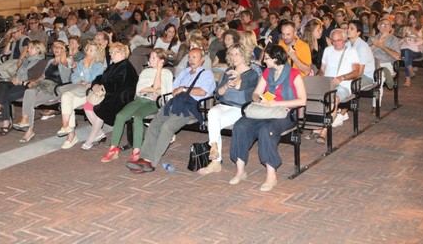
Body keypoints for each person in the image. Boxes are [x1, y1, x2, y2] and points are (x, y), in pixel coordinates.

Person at [229, 45, 307, 191]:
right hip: (265, 110)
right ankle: (240, 171)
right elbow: (256, 93)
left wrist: (276, 103)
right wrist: (260, 101)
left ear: (276, 59)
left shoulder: (294, 74)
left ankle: (271, 176)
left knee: (267, 130)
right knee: (240, 126)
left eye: (267, 58)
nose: (264, 61)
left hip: (285, 112)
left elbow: (302, 101)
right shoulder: (267, 73)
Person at [126, 48, 216, 173]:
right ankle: (144, 158)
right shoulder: (184, 72)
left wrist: (184, 89)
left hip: (190, 107)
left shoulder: (207, 74)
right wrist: (178, 91)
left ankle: (152, 161)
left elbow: (203, 91)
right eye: (189, 57)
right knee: (154, 124)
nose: (191, 60)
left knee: (167, 127)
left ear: (202, 60)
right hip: (175, 103)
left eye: (194, 57)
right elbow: (174, 90)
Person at [101, 49, 173, 162]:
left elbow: (164, 92)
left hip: (154, 103)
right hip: (140, 100)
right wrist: (154, 89)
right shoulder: (145, 72)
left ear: (161, 61)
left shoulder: (167, 73)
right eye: (150, 57)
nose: (150, 59)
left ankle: (136, 151)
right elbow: (140, 90)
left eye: (154, 58)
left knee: (138, 117)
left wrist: (159, 71)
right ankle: (113, 148)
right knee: (120, 116)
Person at [198, 44, 259, 175]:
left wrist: (237, 79)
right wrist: (226, 85)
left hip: (239, 108)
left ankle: (216, 161)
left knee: (214, 122)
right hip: (224, 105)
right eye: (232, 54)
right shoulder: (227, 71)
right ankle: (214, 147)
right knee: (213, 112)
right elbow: (218, 94)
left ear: (244, 55)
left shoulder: (252, 74)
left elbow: (242, 89)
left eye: (237, 54)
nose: (234, 57)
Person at [80, 42, 138, 150]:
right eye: (111, 53)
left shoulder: (126, 66)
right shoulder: (114, 65)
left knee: (99, 109)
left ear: (122, 53)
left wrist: (102, 87)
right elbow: (102, 77)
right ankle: (100, 133)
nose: (111, 55)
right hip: (110, 94)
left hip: (120, 98)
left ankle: (91, 139)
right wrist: (96, 84)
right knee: (87, 106)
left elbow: (116, 83)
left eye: (114, 53)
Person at [12, 40, 73, 142]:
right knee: (28, 92)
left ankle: (28, 128)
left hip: (56, 88)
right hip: (43, 84)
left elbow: (63, 62)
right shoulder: (50, 61)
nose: (56, 49)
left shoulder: (67, 61)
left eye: (59, 47)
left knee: (29, 101)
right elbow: (42, 77)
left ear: (64, 49)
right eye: (54, 47)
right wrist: (32, 82)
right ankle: (25, 121)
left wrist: (63, 51)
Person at [0, 41, 47, 136]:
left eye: (31, 47)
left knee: (5, 95)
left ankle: (6, 124)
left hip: (28, 86)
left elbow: (37, 80)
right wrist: (14, 77)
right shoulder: (27, 59)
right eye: (28, 47)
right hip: (19, 82)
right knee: (2, 84)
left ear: (38, 50)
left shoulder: (42, 62)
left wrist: (21, 82)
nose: (28, 49)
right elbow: (18, 71)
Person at [55, 42, 106, 149]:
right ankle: (66, 128)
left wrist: (86, 69)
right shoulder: (81, 62)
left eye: (92, 50)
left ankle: (71, 135)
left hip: (89, 94)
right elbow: (73, 78)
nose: (88, 52)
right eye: (88, 49)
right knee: (66, 97)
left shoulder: (98, 66)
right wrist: (82, 80)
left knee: (67, 101)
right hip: (78, 90)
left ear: (97, 53)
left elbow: (92, 80)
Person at [400, 10, 423, 87]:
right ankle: (410, 70)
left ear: (418, 19)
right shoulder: (406, 28)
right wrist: (407, 36)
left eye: (414, 19)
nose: (412, 21)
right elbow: (403, 40)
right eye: (410, 19)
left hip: (417, 50)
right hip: (406, 47)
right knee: (406, 52)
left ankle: (408, 79)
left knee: (406, 55)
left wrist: (417, 36)